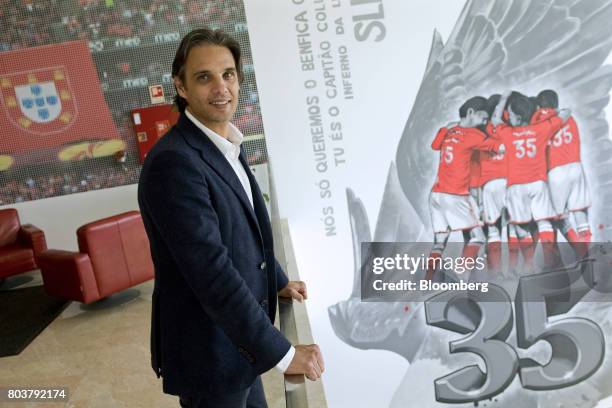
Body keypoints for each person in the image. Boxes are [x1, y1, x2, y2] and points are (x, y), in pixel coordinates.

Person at [138, 28, 324, 407]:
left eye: (228, 74)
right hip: (207, 351)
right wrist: (285, 354)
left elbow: (244, 232)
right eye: (204, 77)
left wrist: (276, 279)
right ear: (182, 86)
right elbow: (211, 270)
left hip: (237, 346)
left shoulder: (226, 145)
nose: (221, 87)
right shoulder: (175, 163)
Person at [426, 96, 504, 280]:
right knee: (477, 237)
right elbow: (498, 147)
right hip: (454, 195)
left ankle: (427, 282)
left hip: (436, 195)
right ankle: (461, 276)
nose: (483, 123)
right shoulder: (473, 135)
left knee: (439, 243)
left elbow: (434, 145)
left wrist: (447, 127)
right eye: (483, 118)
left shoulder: (449, 131)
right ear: (470, 113)